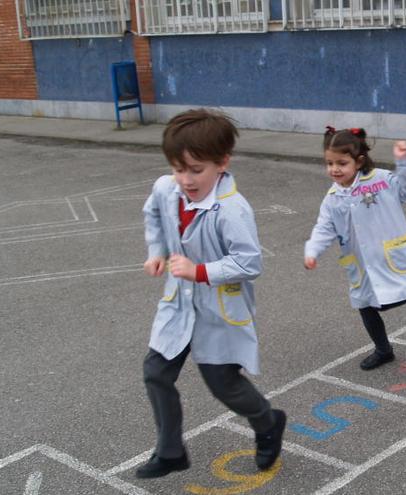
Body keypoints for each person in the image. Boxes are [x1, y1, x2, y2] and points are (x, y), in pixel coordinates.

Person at [138, 109, 286, 478]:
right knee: (156, 371)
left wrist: (200, 271)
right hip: (179, 303)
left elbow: (249, 263)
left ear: (222, 162)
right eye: (178, 168)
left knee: (224, 385)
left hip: (220, 307)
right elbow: (152, 215)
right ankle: (171, 451)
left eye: (195, 170)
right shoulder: (166, 189)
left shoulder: (232, 210)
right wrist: (156, 251)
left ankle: (267, 421)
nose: (185, 179)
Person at [304, 128, 406, 370]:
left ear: (358, 161)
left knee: (397, 290)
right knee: (365, 306)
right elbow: (324, 227)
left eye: (341, 163)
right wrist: (313, 251)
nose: (334, 169)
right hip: (360, 263)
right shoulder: (332, 197)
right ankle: (383, 350)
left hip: (389, 257)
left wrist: (404, 162)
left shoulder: (381, 180)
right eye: (329, 163)